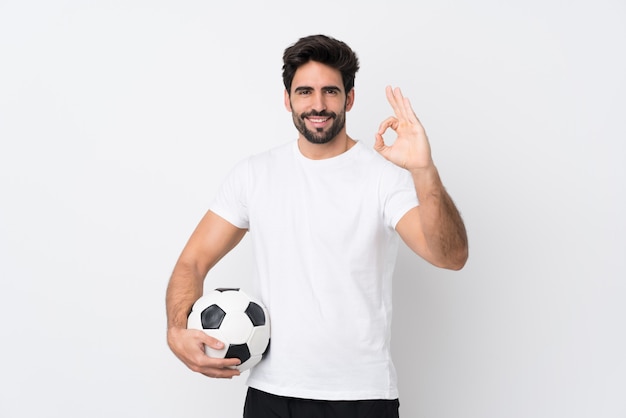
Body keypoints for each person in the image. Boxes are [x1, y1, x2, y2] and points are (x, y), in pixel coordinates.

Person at [166, 34, 468, 418]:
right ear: (288, 98)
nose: (318, 105)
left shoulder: (384, 177)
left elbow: (451, 257)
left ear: (350, 98)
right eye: (305, 91)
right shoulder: (253, 175)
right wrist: (177, 330)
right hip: (272, 395)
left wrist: (424, 171)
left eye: (331, 91)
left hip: (362, 395)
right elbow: (192, 262)